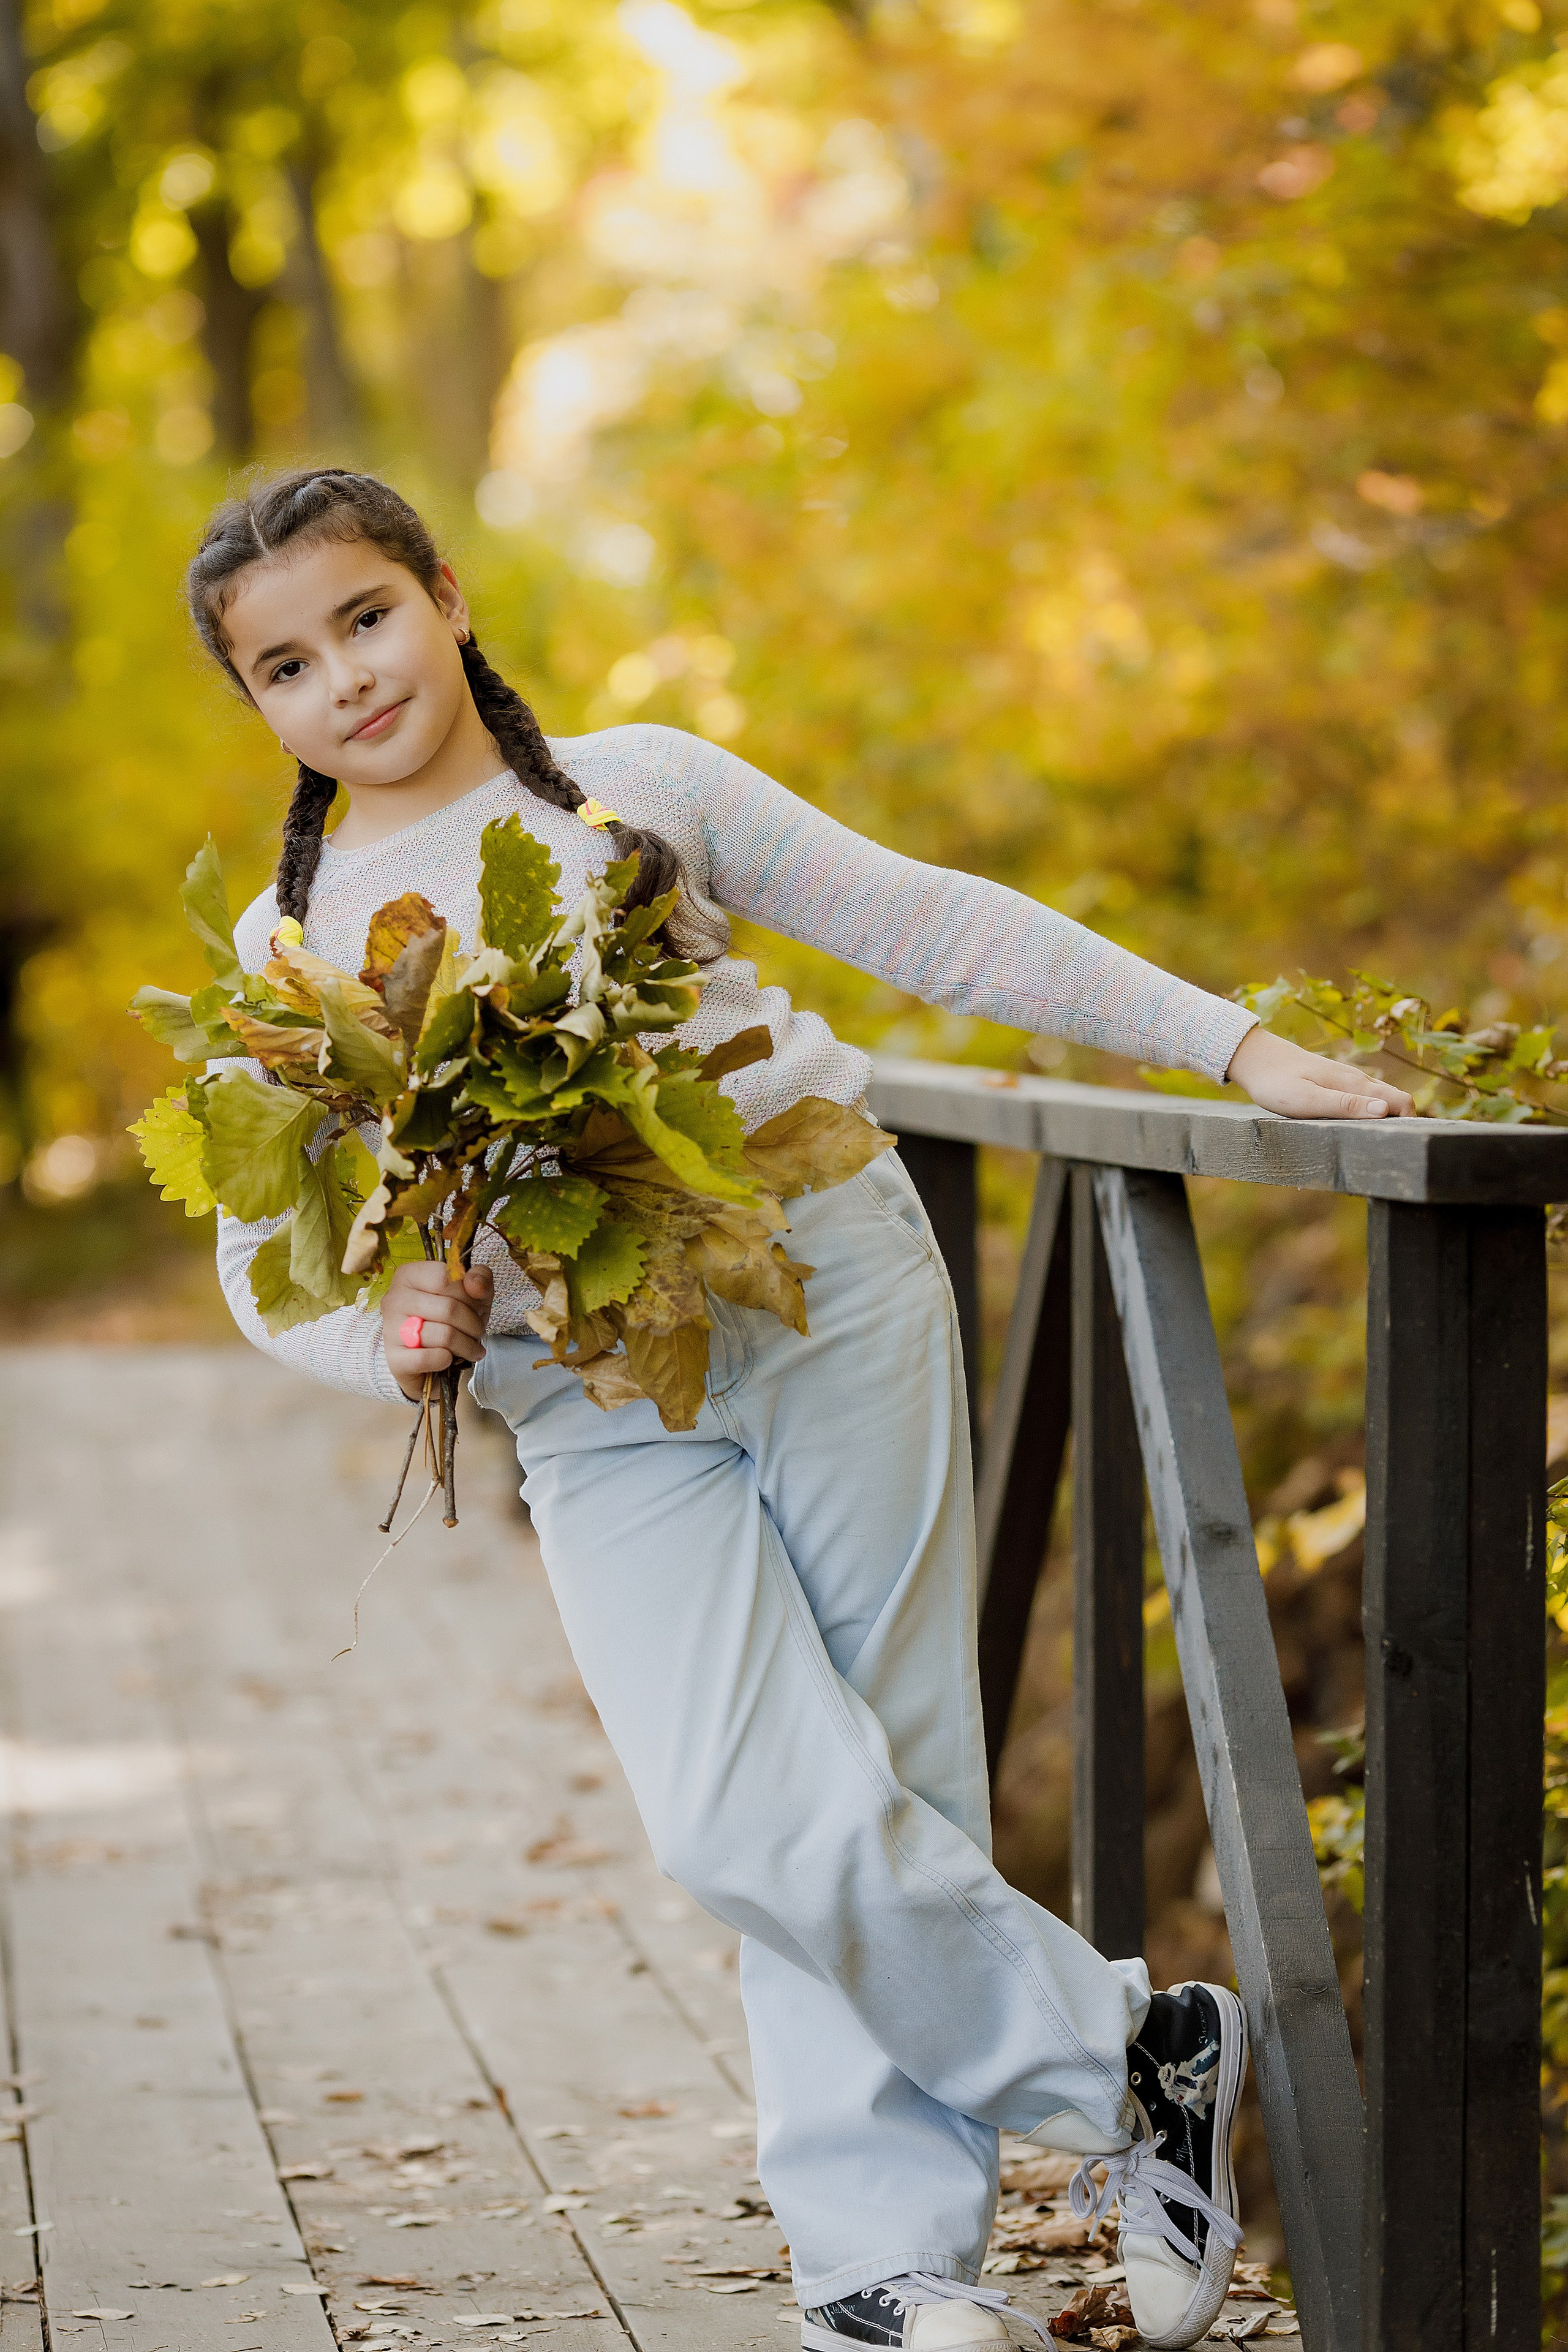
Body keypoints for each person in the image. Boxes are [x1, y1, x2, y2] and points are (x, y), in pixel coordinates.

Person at [191, 467, 1409, 2352]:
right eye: (285, 664)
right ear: (258, 706)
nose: (343, 679)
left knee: (890, 1765)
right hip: (582, 1392)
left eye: (365, 618)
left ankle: (882, 2264)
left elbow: (929, 925)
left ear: (443, 594)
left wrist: (1230, 1042)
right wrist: (396, 1331)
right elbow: (268, 1270)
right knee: (740, 1808)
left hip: (826, 1283)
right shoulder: (291, 957)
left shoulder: (637, 787)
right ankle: (1137, 2056)